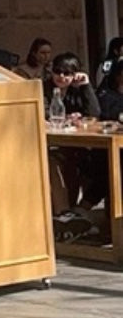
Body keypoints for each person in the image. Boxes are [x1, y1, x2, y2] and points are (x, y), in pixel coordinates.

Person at [45, 52, 104, 222]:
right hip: (52, 144)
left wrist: (86, 85)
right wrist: (66, 119)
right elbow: (44, 114)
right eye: (58, 71)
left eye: (67, 73)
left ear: (75, 74)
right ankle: (64, 214)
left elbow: (94, 113)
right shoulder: (44, 89)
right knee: (54, 160)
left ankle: (81, 211)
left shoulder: (77, 90)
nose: (61, 77)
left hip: (78, 144)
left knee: (99, 161)